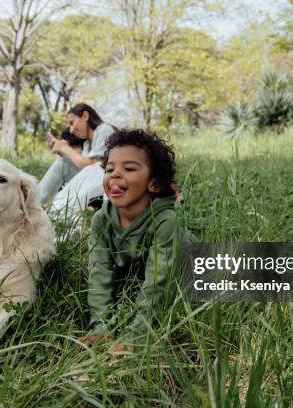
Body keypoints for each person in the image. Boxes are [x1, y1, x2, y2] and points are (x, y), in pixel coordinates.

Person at [82, 128, 197, 353]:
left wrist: (137, 335)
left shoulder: (165, 221)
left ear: (153, 184)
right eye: (109, 169)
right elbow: (99, 273)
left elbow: (158, 283)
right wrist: (100, 326)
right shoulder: (100, 220)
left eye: (129, 168)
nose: (115, 174)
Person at [38, 104, 115, 217]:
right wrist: (64, 153)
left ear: (85, 115)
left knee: (63, 164)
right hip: (95, 180)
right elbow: (83, 169)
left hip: (108, 178)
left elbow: (96, 166)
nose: (71, 130)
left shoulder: (104, 129)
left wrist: (65, 149)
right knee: (63, 163)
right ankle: (36, 204)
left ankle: (35, 205)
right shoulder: (87, 144)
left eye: (72, 122)